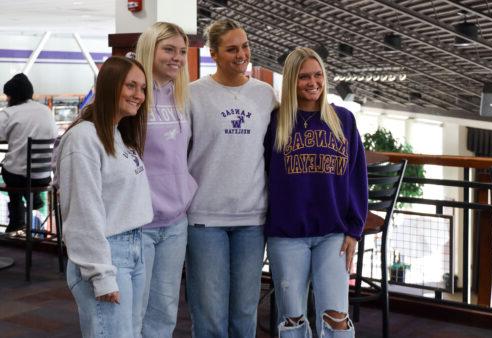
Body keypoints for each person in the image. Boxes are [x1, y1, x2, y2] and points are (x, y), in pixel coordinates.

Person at [263, 47, 368, 338]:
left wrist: (354, 229)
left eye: (318, 74)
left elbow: (358, 177)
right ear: (291, 81)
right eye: (304, 76)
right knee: (292, 320)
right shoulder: (276, 122)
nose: (313, 82)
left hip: (333, 233)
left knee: (337, 318)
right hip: (286, 234)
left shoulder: (343, 120)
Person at [186, 18, 278, 338]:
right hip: (204, 218)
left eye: (245, 46)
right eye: (231, 49)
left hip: (252, 218)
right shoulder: (193, 94)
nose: (241, 54)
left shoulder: (265, 94)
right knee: (210, 314)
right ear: (213, 53)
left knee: (244, 313)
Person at [56, 56, 153, 338]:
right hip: (107, 255)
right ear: (110, 86)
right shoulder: (84, 138)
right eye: (131, 86)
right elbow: (83, 212)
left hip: (133, 249)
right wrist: (101, 275)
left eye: (143, 88)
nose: (139, 95)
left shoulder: (119, 134)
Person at [134, 22, 197, 337]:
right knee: (133, 312)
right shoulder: (132, 94)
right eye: (169, 49)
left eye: (182, 51)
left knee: (164, 310)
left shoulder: (182, 96)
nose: (177, 58)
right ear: (150, 50)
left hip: (175, 223)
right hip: (138, 225)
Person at [0, 73, 58, 232]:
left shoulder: (8, 113)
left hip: (20, 178)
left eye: (8, 95)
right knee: (16, 171)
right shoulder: (46, 110)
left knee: (7, 170)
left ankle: (17, 219)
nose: (7, 99)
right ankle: (33, 197)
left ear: (14, 95)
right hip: (44, 177)